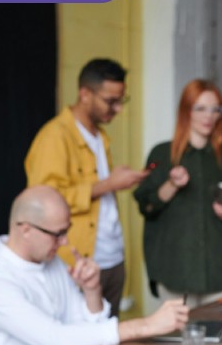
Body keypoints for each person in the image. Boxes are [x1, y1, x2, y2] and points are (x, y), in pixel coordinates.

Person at [0, 186, 189, 345]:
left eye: (66, 230)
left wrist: (92, 291)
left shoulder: (52, 264)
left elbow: (88, 334)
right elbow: (57, 341)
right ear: (26, 230)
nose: (65, 242)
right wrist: (146, 325)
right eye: (58, 234)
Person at [25, 58, 148, 317]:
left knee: (108, 344)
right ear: (85, 94)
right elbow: (42, 204)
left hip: (112, 258)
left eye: (120, 101)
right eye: (110, 101)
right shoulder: (55, 136)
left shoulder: (100, 136)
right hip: (79, 262)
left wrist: (115, 180)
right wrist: (108, 184)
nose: (117, 109)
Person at [134, 79, 222, 308]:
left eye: (215, 109)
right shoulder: (162, 154)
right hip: (175, 271)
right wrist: (172, 184)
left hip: (220, 269)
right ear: (186, 111)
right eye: (200, 108)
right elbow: (146, 206)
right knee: (182, 342)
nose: (208, 116)